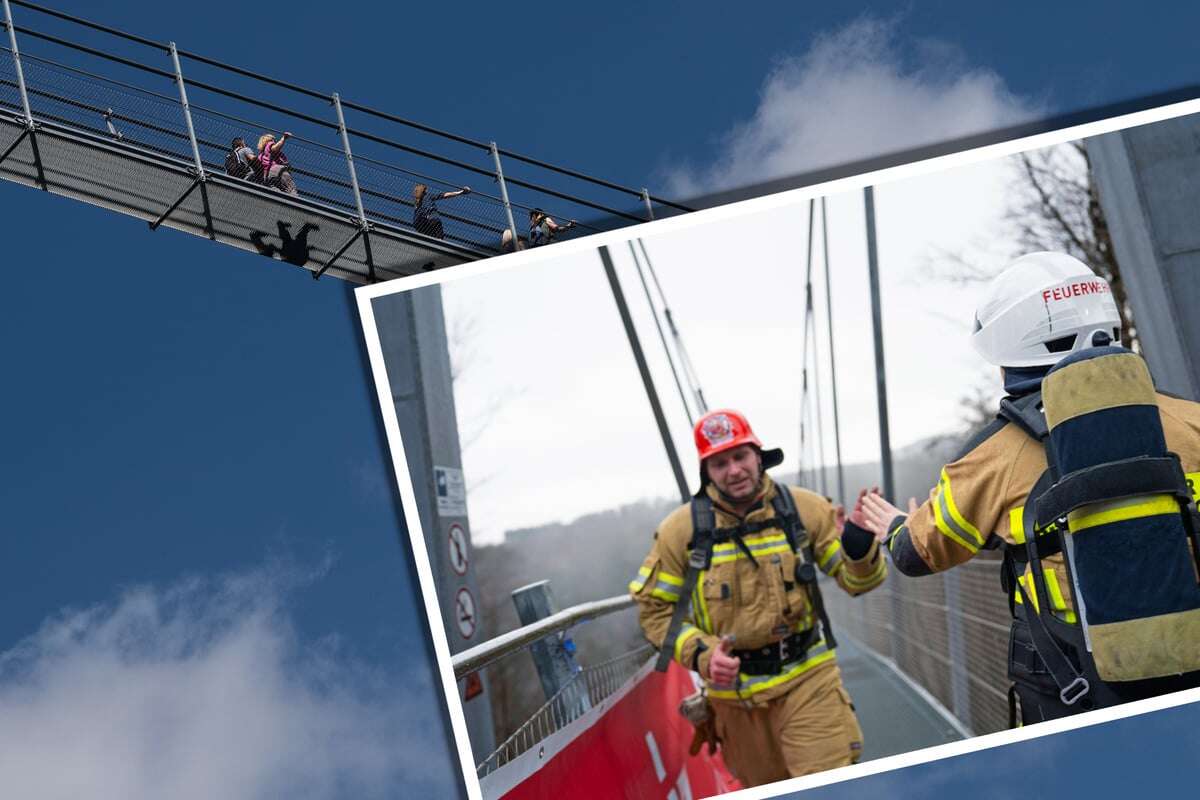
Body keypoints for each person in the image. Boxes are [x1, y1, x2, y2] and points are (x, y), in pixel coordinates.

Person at [858, 251, 1200, 726]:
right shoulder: (1190, 419)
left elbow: (916, 554)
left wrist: (898, 524)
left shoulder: (992, 456)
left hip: (1075, 689)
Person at [630, 409, 887, 787]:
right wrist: (701, 654)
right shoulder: (679, 532)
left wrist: (859, 544)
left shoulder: (806, 509)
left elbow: (857, 582)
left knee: (830, 790)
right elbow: (654, 612)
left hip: (808, 681)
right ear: (707, 472)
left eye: (739, 456)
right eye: (720, 463)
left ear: (758, 455)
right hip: (735, 702)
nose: (733, 470)